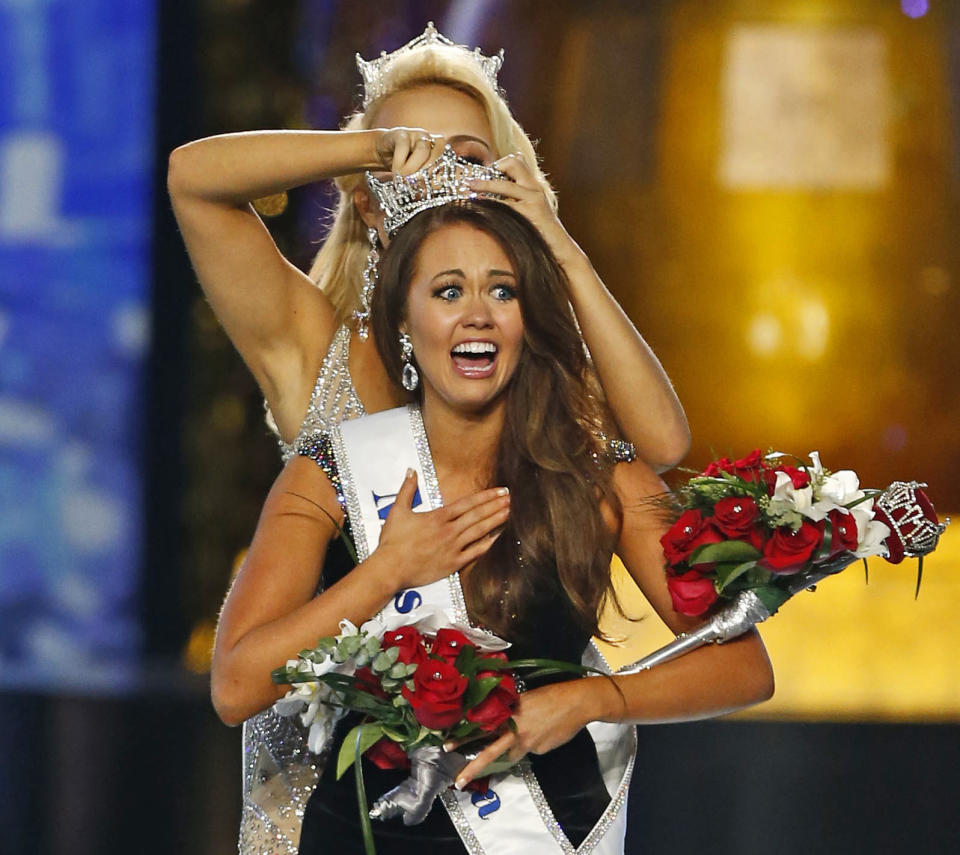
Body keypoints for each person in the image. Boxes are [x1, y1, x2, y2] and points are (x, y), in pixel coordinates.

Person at [169, 24, 692, 852]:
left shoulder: (522, 358)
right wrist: (372, 148)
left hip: (505, 787)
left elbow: (659, 440)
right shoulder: (315, 343)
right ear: (369, 192)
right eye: (418, 157)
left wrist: (549, 234)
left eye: (468, 156)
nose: (444, 176)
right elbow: (192, 178)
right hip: (331, 788)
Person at [210, 191, 774, 853]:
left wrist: (590, 700)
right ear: (402, 320)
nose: (476, 314)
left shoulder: (599, 476)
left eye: (502, 291)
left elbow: (744, 667)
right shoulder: (331, 471)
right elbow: (236, 686)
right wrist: (389, 570)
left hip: (544, 829)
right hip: (366, 835)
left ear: (528, 319)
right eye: (448, 291)